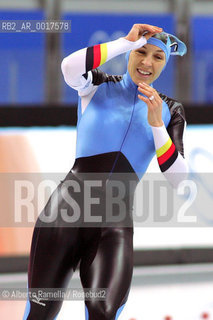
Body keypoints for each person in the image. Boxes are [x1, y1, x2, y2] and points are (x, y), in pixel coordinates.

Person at [23, 23, 188, 320]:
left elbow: (179, 179)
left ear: (165, 64)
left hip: (113, 226)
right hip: (65, 214)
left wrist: (156, 125)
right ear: (129, 53)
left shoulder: (169, 110)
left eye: (158, 57)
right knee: (40, 311)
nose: (147, 62)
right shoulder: (97, 84)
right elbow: (68, 66)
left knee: (103, 311)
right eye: (141, 52)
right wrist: (125, 41)